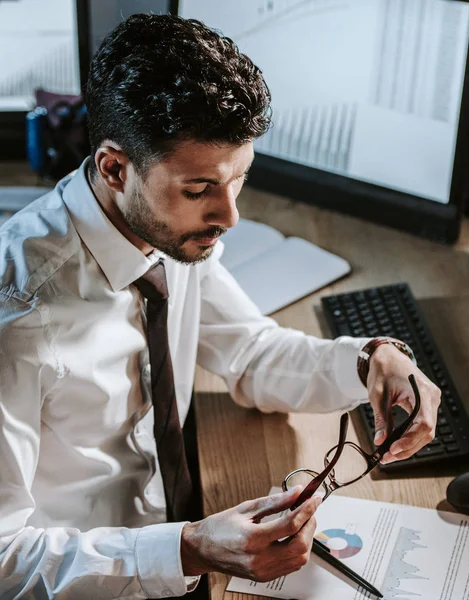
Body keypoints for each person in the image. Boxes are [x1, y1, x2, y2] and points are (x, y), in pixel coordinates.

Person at [0, 14, 440, 600]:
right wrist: (189, 549)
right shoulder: (19, 316)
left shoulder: (167, 232)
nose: (228, 215)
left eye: (239, 180)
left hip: (187, 543)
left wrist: (370, 360)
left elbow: (250, 352)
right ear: (114, 168)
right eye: (200, 188)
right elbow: (5, 558)